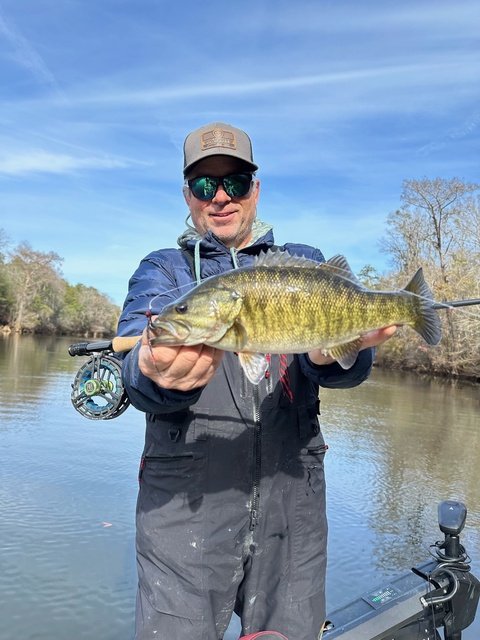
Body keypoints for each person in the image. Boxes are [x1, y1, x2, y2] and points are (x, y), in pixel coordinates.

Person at [117, 122, 396, 640]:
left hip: (294, 500)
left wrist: (337, 354)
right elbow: (137, 356)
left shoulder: (305, 263)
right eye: (204, 185)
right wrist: (152, 370)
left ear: (256, 189)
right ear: (188, 195)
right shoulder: (163, 271)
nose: (220, 198)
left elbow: (345, 368)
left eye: (235, 183)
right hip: (183, 510)